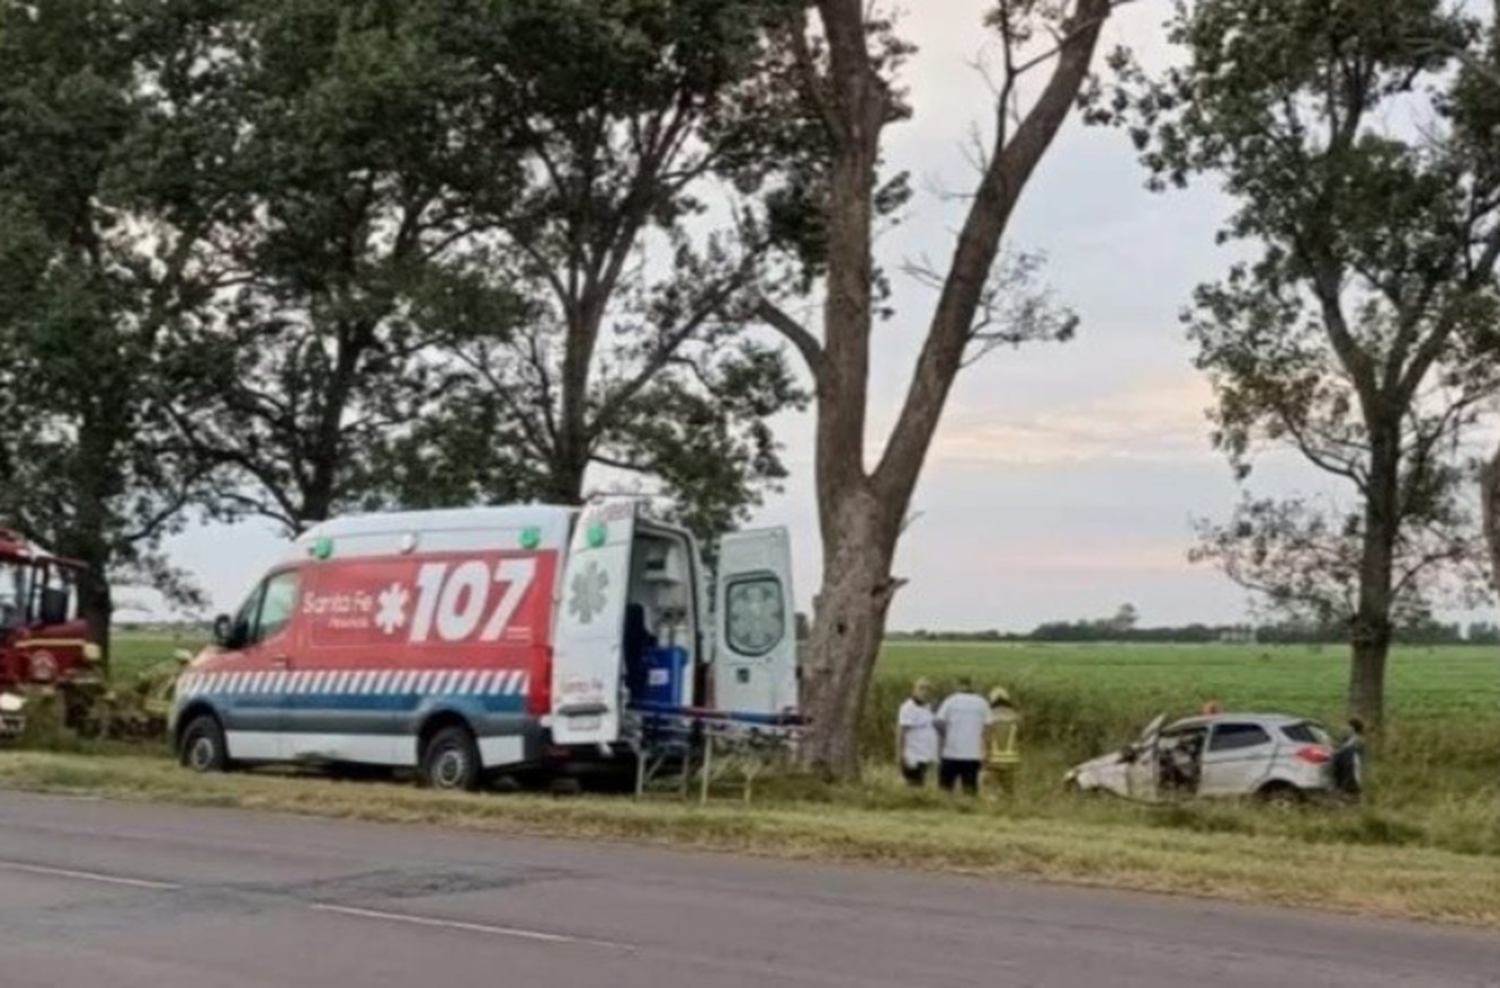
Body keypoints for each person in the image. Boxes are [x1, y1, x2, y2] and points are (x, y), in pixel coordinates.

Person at [934, 677, 993, 796]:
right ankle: (968, 811)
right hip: (973, 755)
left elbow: (937, 722)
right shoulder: (982, 702)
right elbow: (989, 727)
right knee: (970, 790)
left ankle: (945, 812)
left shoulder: (950, 700)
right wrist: (985, 750)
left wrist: (945, 736)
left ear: (957, 685)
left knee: (945, 790)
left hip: (950, 753)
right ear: (971, 685)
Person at [895, 678, 938, 786]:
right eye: (921, 688)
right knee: (914, 785)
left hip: (924, 756)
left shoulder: (928, 707)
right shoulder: (908, 708)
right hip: (912, 756)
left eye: (927, 689)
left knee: (921, 785)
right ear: (913, 690)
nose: (924, 692)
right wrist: (900, 755)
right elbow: (901, 732)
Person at [984, 686, 1022, 792]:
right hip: (1010, 760)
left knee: (991, 791)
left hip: (992, 760)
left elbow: (986, 739)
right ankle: (1010, 807)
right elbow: (1020, 737)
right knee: (1008, 791)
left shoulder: (989, 717)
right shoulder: (1016, 718)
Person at [1333, 717, 1366, 801]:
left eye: (1347, 726)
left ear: (1352, 728)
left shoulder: (1358, 739)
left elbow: (1345, 750)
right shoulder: (1347, 739)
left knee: (1354, 780)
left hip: (1353, 763)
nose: (1345, 728)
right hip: (1347, 764)